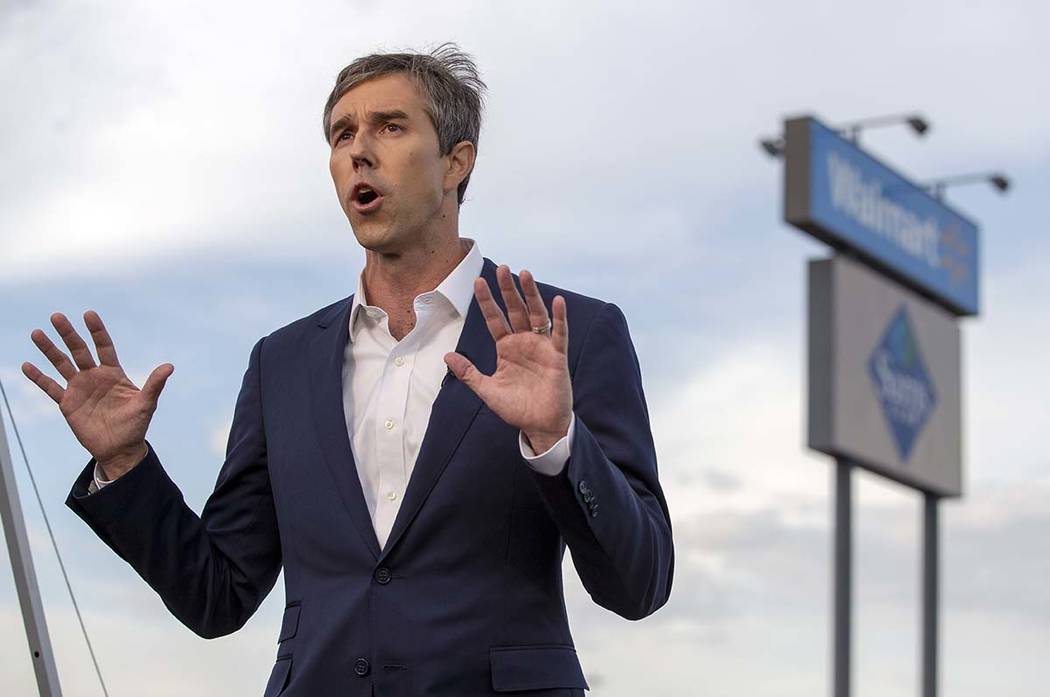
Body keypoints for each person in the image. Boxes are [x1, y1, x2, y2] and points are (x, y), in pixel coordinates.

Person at [22, 43, 674, 696]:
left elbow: (639, 583)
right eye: (342, 133)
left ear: (456, 161)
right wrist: (126, 465)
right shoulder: (280, 363)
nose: (359, 149)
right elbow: (217, 596)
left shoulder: (571, 334)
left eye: (390, 126)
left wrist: (558, 442)